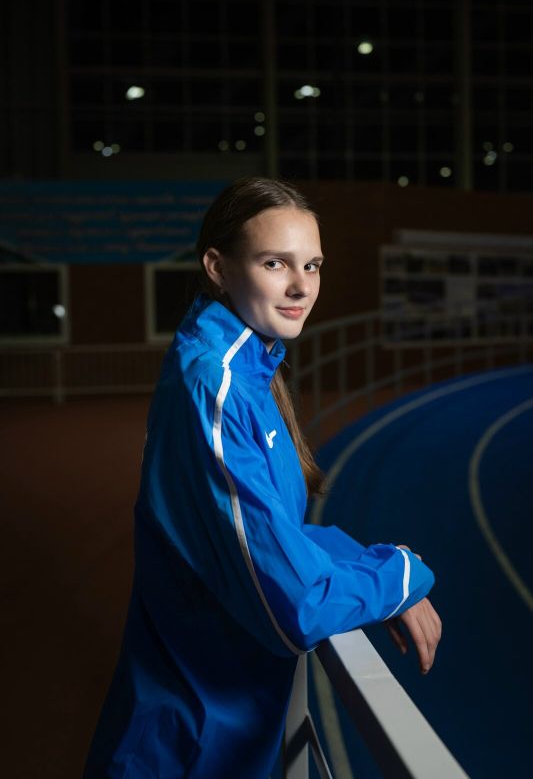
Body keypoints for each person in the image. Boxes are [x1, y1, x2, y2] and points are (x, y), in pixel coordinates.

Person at [84, 176, 441, 778]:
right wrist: (401, 575)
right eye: (275, 263)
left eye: (313, 265)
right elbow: (297, 607)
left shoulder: (247, 368)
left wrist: (368, 558)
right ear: (218, 268)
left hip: (221, 735)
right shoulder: (216, 386)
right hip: (186, 744)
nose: (302, 286)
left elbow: (270, 537)